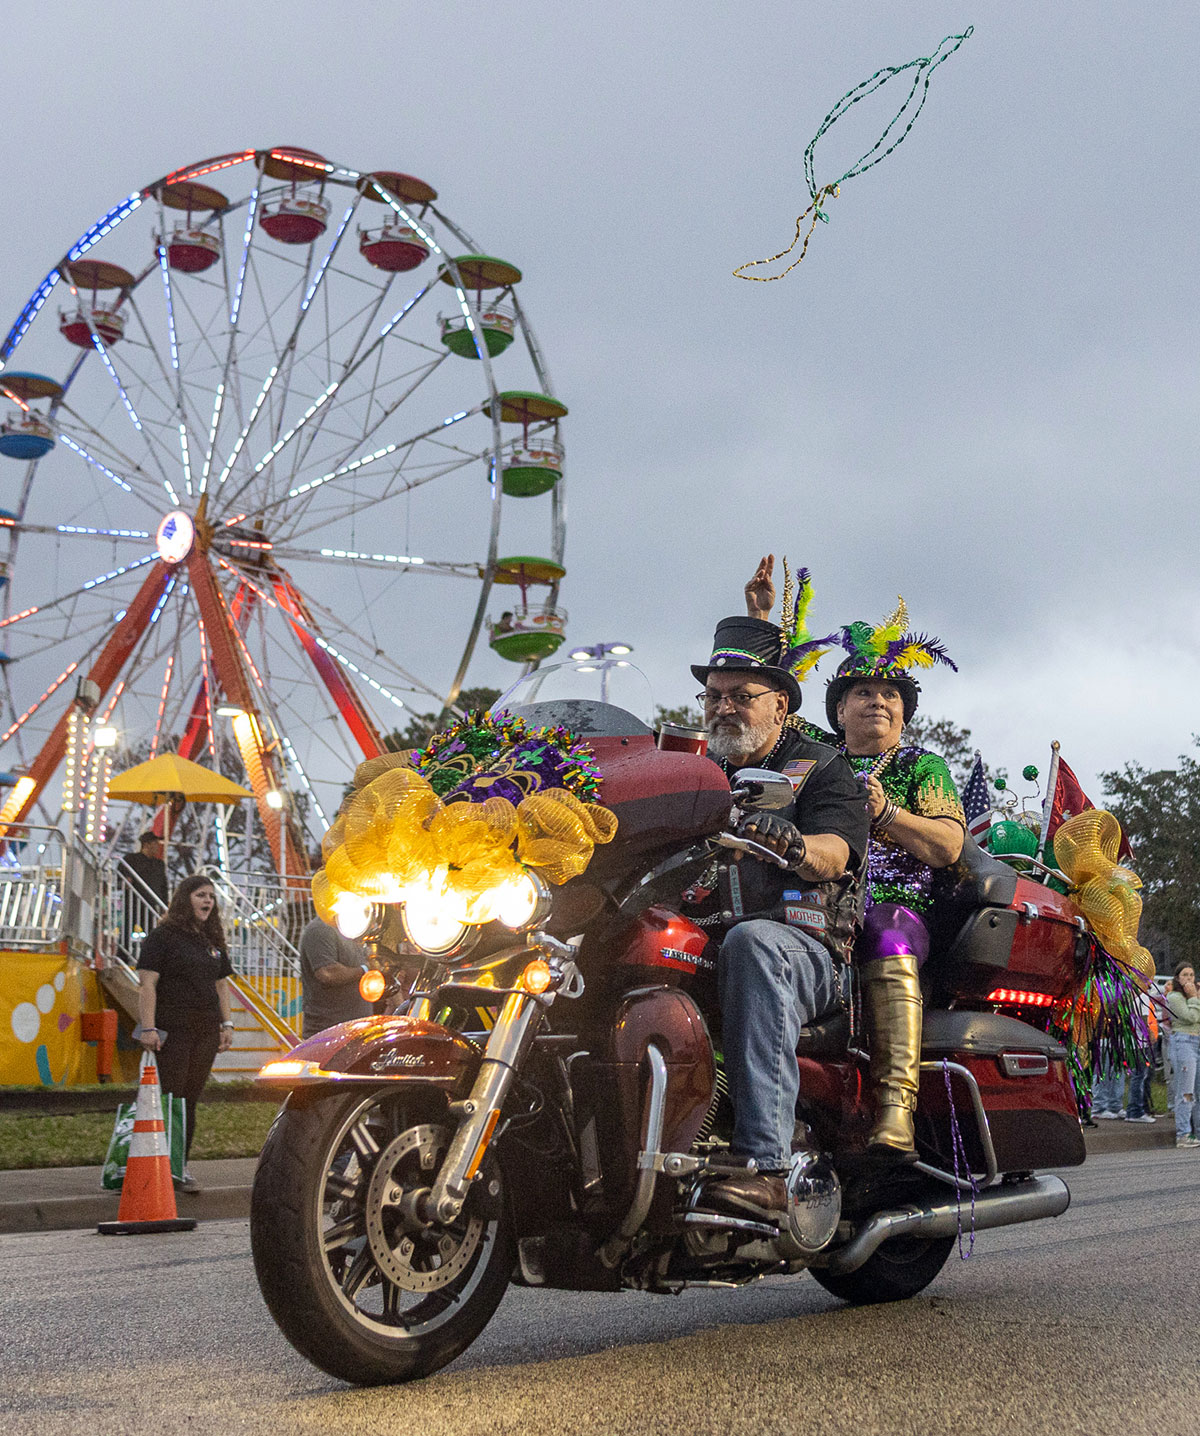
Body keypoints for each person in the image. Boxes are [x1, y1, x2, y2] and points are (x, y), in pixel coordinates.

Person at [746, 558, 964, 1159]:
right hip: (806, 900)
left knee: (884, 927)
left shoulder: (923, 766)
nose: (878, 701)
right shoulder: (814, 760)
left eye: (890, 693)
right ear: (837, 709)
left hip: (895, 910)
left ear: (904, 713)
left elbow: (947, 846)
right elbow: (759, 703)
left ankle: (897, 1105)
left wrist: (888, 815)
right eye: (863, 691)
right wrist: (760, 620)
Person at [685, 607, 869, 1218]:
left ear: (780, 707)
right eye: (713, 695)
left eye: (741, 695)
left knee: (754, 944)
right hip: (705, 944)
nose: (723, 707)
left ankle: (766, 1166)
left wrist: (790, 843)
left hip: (807, 953)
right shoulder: (696, 773)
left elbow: (836, 852)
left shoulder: (821, 766)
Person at [136, 874, 234, 1191]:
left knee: (190, 1100)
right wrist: (148, 1027)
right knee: (171, 1097)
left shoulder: (212, 941)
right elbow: (147, 984)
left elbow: (221, 984)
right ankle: (155, 1164)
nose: (207, 901)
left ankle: (179, 1166)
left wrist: (226, 1023)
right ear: (185, 899)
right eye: (200, 895)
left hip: (205, 1030)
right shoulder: (162, 937)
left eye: (211, 896)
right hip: (173, 1028)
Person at [299, 916, 373, 1039]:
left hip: (354, 1029)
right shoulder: (321, 929)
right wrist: (365, 970)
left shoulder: (351, 930)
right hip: (328, 1032)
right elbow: (328, 973)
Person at [1165, 962, 1200, 1148]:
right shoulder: (1174, 997)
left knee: (1198, 1091)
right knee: (1186, 1091)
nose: (1189, 978)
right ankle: (1183, 1134)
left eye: (1192, 975)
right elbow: (1190, 1017)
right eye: (1185, 975)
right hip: (1184, 1042)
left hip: (1198, 1041)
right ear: (1177, 978)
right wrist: (1194, 998)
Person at [119, 831, 169, 906]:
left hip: (153, 905)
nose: (158, 846)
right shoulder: (131, 859)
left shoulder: (159, 864)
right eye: (155, 843)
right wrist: (126, 881)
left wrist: (164, 903)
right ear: (146, 844)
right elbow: (121, 879)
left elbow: (163, 886)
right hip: (134, 905)